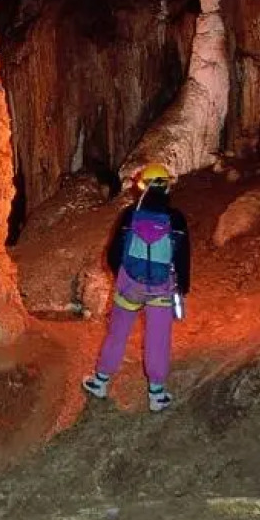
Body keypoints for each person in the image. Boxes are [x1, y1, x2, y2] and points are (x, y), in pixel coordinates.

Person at [82, 162, 191, 412]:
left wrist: (121, 275)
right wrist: (182, 285)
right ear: (166, 188)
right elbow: (183, 257)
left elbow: (113, 253)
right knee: (158, 338)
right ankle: (156, 394)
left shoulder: (130, 215)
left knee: (117, 333)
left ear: (143, 187)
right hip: (161, 289)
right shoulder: (176, 219)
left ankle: (100, 381)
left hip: (129, 286)